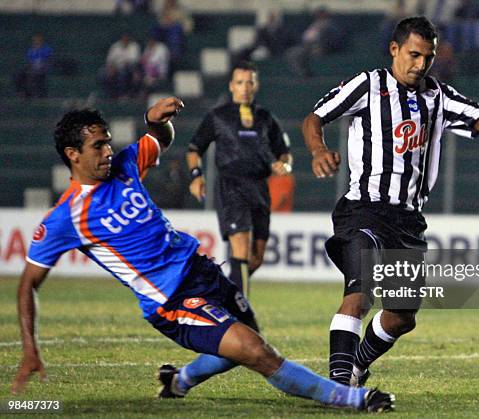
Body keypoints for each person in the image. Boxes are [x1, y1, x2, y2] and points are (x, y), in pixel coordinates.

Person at [10, 97, 394, 412]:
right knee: (254, 350)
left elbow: (161, 138)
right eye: (98, 146)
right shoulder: (64, 218)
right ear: (72, 154)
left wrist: (154, 120)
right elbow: (28, 284)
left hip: (203, 271)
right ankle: (352, 398)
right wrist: (30, 349)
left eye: (109, 141)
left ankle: (178, 381)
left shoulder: (126, 164)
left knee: (242, 346)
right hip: (172, 300)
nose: (108, 151)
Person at [302, 16, 479, 386]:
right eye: (414, 55)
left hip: (407, 220)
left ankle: (356, 366)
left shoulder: (439, 96)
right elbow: (315, 118)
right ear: (394, 49)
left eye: (428, 57)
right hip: (363, 209)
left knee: (401, 316)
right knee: (360, 291)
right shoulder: (368, 85)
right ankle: (336, 384)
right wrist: (318, 149)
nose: (420, 64)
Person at [186, 61, 292, 298]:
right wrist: (196, 176)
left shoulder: (266, 118)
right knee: (241, 248)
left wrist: (284, 164)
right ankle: (242, 317)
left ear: (256, 85)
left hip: (259, 188)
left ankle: (216, 292)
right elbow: (194, 148)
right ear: (232, 86)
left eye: (250, 82)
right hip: (230, 186)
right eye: (240, 82)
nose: (245, 87)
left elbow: (284, 151)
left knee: (255, 258)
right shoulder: (218, 116)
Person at [100, 33, 141, 98]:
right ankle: (109, 95)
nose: (125, 39)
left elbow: (134, 60)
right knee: (102, 72)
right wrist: (111, 68)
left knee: (123, 73)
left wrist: (123, 65)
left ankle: (122, 95)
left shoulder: (134, 46)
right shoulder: (115, 46)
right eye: (124, 38)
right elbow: (110, 60)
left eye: (127, 38)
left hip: (129, 68)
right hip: (115, 67)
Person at [14, 34, 53, 98]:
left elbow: (48, 61)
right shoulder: (31, 50)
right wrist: (31, 67)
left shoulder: (47, 49)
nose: (36, 42)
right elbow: (30, 61)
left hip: (43, 68)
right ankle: (22, 92)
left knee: (31, 74)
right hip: (33, 67)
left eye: (38, 40)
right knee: (18, 74)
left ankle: (33, 94)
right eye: (35, 40)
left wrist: (41, 66)